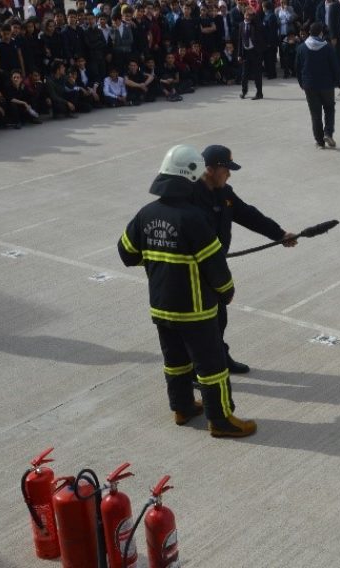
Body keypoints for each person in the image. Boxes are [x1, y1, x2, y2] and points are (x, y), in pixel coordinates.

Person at [116, 144, 256, 438]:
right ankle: (221, 420)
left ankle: (182, 407)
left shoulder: (146, 213)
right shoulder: (193, 218)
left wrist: (157, 264)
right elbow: (215, 267)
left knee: (176, 360)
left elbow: (127, 253)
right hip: (195, 308)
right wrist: (226, 292)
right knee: (212, 365)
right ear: (191, 176)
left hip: (161, 306)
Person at [199, 144, 298, 374]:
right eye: (226, 169)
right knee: (201, 324)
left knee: (218, 318)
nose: (229, 174)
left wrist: (280, 235)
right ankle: (199, 369)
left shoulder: (225, 193)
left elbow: (248, 214)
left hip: (215, 267)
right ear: (210, 170)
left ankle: (220, 356)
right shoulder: (193, 197)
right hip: (197, 270)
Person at [296, 22, 340, 149]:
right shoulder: (327, 47)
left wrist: (302, 83)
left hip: (309, 86)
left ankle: (319, 141)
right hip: (326, 85)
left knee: (315, 113)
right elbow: (335, 67)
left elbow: (297, 68)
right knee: (329, 108)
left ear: (309, 33)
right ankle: (328, 133)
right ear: (321, 33)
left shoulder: (301, 48)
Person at [239, 9, 267, 99]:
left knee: (257, 74)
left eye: (250, 15)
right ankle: (244, 91)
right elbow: (240, 40)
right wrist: (239, 54)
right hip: (246, 52)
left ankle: (259, 93)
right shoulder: (241, 25)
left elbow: (260, 26)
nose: (248, 17)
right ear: (244, 15)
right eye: (247, 15)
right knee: (244, 74)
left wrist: (254, 16)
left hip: (255, 52)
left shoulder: (255, 24)